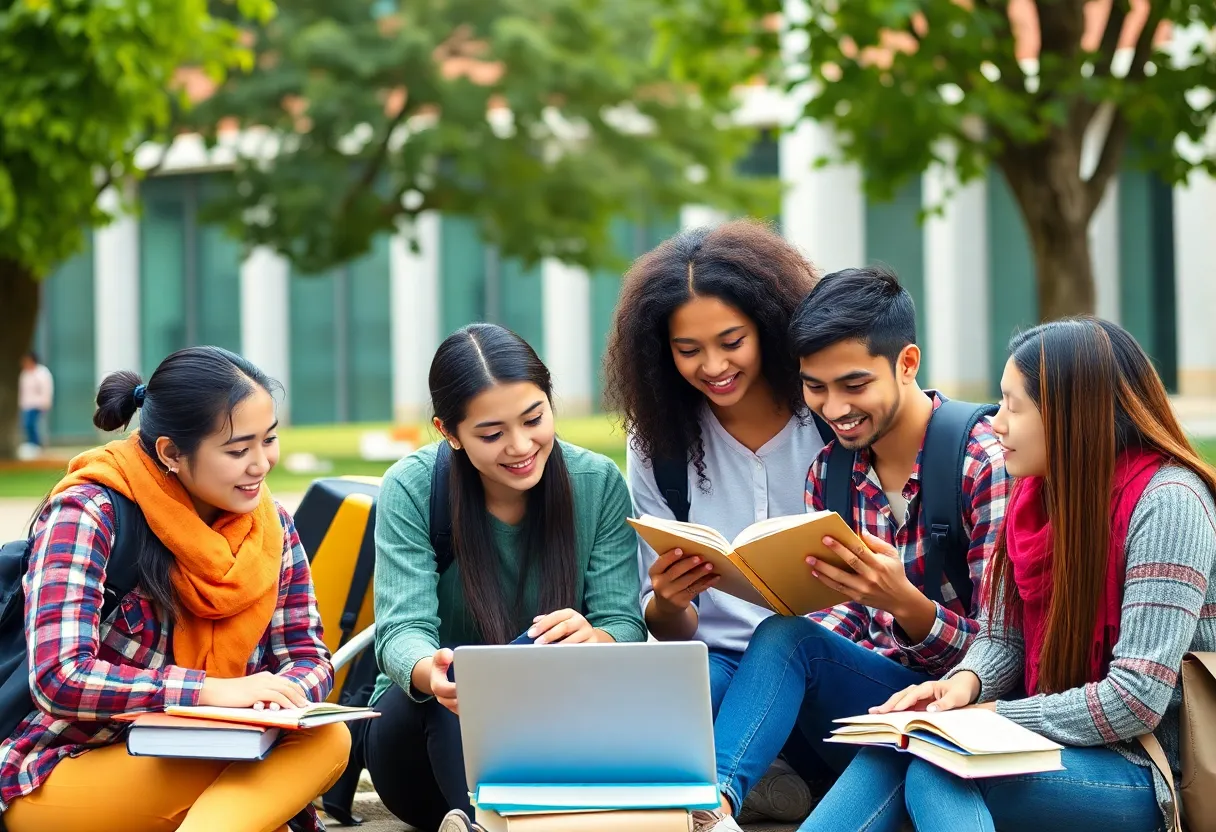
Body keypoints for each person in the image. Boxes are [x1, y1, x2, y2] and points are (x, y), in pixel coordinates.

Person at [803, 317, 1216, 832]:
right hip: (1051, 745)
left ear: (1072, 415)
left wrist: (993, 718)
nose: (996, 422)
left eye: (1013, 407)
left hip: (1147, 770)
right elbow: (1002, 639)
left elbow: (1134, 700)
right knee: (897, 744)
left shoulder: (1169, 505)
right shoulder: (1032, 495)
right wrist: (960, 687)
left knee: (938, 768)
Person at [693, 266, 1011, 832]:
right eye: (815, 388)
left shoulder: (983, 463)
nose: (834, 408)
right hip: (875, 717)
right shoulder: (829, 472)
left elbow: (1006, 653)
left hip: (963, 717)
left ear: (907, 364)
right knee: (785, 635)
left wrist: (907, 605)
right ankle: (711, 807)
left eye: (854, 385)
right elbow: (838, 621)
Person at [0, 346, 351, 832]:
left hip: (211, 750)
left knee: (328, 739)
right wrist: (212, 693)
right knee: (246, 774)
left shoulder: (271, 528)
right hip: (70, 763)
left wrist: (281, 696)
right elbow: (59, 677)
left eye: (268, 440)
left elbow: (308, 655)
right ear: (170, 452)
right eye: (236, 450)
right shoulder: (89, 513)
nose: (261, 465)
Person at [361, 323, 648, 832]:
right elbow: (400, 632)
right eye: (491, 434)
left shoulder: (597, 483)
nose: (520, 446)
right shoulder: (410, 485)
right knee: (458, 701)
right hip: (423, 747)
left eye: (534, 418)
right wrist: (438, 674)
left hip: (554, 733)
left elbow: (622, 621)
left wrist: (596, 637)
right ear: (449, 432)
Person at [602, 219, 826, 823]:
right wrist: (671, 603)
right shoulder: (661, 444)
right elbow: (671, 628)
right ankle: (759, 781)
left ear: (770, 328)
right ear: (659, 351)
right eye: (688, 350)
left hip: (829, 663)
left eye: (732, 341)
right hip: (717, 672)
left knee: (781, 650)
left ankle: (740, 785)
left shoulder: (829, 418)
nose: (713, 365)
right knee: (659, 715)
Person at [18, 351, 53, 449]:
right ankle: (31, 444)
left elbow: (46, 389)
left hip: (38, 404)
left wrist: (46, 403)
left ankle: (36, 445)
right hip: (26, 405)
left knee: (31, 424)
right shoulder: (24, 374)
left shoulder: (42, 373)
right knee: (27, 425)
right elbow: (23, 391)